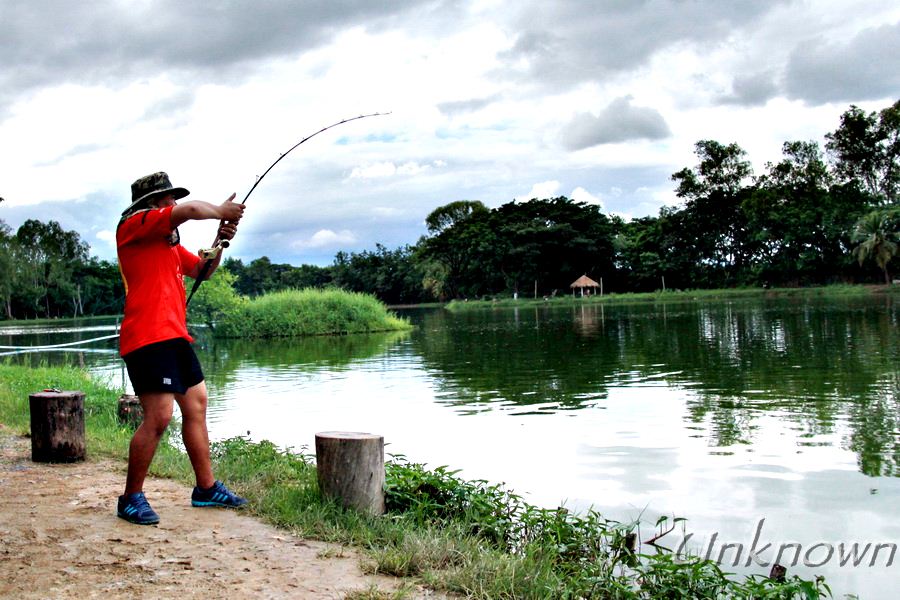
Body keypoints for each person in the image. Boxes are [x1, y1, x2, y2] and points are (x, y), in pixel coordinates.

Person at [116, 171, 247, 525]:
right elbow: (188, 210)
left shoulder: (168, 246)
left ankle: (206, 489)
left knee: (197, 403)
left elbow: (203, 271)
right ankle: (130, 498)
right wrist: (220, 209)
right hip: (147, 338)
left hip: (174, 337)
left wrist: (220, 240)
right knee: (158, 417)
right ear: (150, 205)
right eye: (166, 200)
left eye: (172, 200)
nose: (171, 205)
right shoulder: (133, 227)